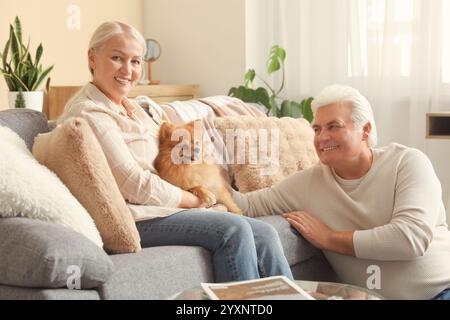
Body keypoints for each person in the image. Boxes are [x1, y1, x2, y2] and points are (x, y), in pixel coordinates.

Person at [57, 21, 293, 283]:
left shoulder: (135, 108)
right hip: (138, 217)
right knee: (233, 230)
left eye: (136, 62)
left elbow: (175, 148)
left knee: (265, 234)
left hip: (167, 207)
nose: (128, 70)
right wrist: (195, 200)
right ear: (92, 57)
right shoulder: (89, 113)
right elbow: (134, 183)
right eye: (117, 58)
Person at [232, 84, 450, 300]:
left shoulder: (407, 163)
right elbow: (247, 205)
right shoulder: (308, 183)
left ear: (365, 130)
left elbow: (409, 239)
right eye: (317, 129)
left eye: (333, 126)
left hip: (441, 291)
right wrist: (207, 181)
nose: (321, 137)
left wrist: (329, 238)